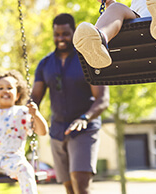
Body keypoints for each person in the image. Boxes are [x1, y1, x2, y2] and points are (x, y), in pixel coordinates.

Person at [31, 13, 110, 194]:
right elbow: (35, 96)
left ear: (73, 33)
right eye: (57, 34)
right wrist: (27, 112)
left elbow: (102, 100)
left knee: (81, 184)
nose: (60, 38)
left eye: (65, 34)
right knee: (69, 187)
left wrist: (85, 118)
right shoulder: (45, 64)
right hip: (58, 131)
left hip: (84, 129)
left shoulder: (88, 59)